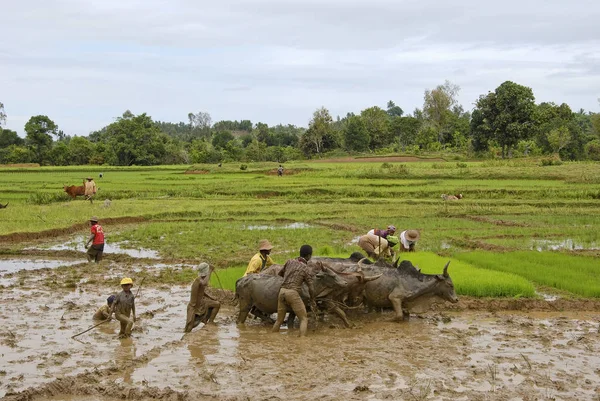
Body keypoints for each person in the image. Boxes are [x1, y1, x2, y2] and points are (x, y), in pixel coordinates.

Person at [272, 245, 316, 337]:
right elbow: (311, 287)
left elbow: (280, 274)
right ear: (308, 256)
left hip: (282, 291)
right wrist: (312, 299)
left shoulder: (289, 261)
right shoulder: (306, 269)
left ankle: (273, 337)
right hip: (292, 293)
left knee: (279, 320)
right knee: (303, 319)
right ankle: (302, 341)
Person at [185, 263, 221, 332]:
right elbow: (205, 283)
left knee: (217, 304)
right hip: (194, 306)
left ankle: (210, 322)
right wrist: (210, 270)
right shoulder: (198, 280)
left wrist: (211, 297)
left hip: (201, 303)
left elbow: (202, 292)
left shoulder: (201, 279)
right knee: (190, 326)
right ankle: (186, 338)